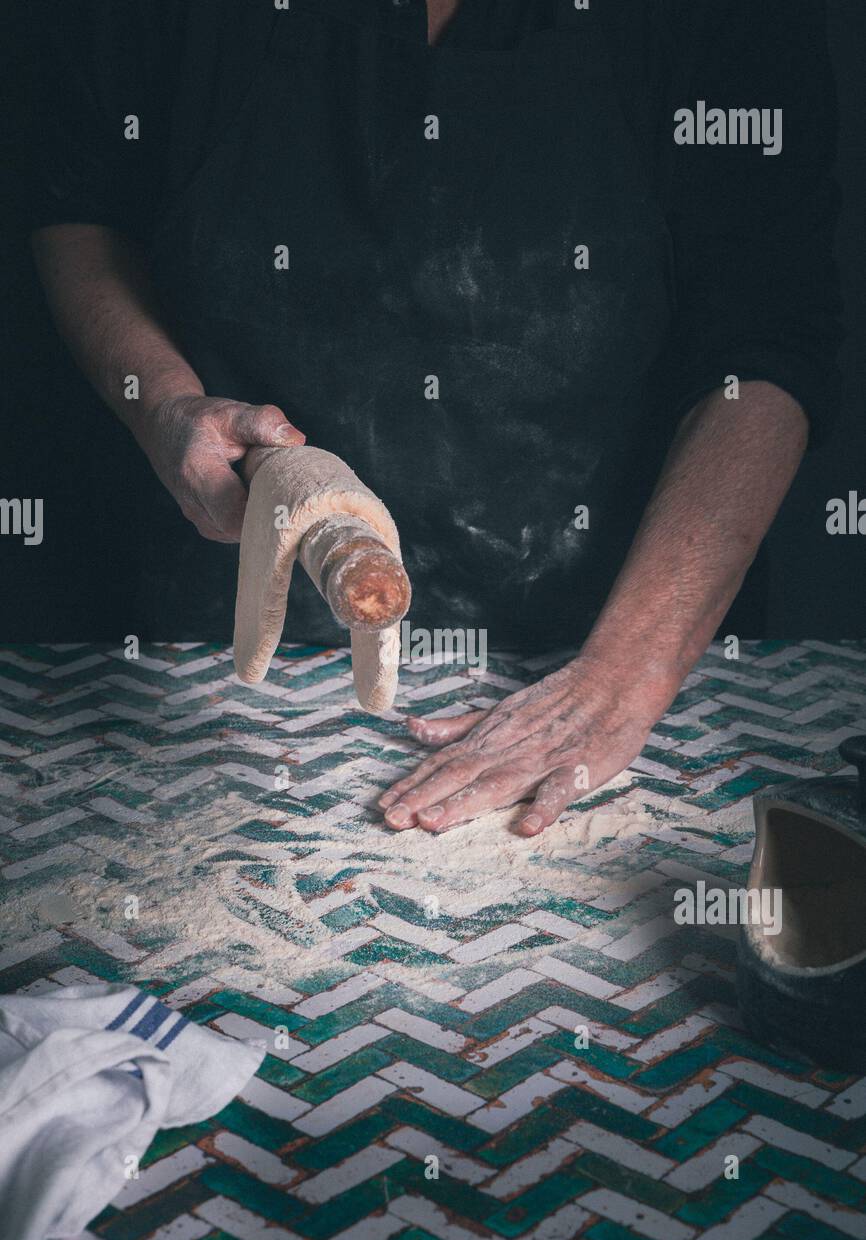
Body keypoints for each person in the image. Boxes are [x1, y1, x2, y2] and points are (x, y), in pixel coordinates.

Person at [25, 0, 842, 835]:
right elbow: (84, 207)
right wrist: (166, 407)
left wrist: (622, 677)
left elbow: (771, 338)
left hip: (626, 642)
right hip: (220, 648)